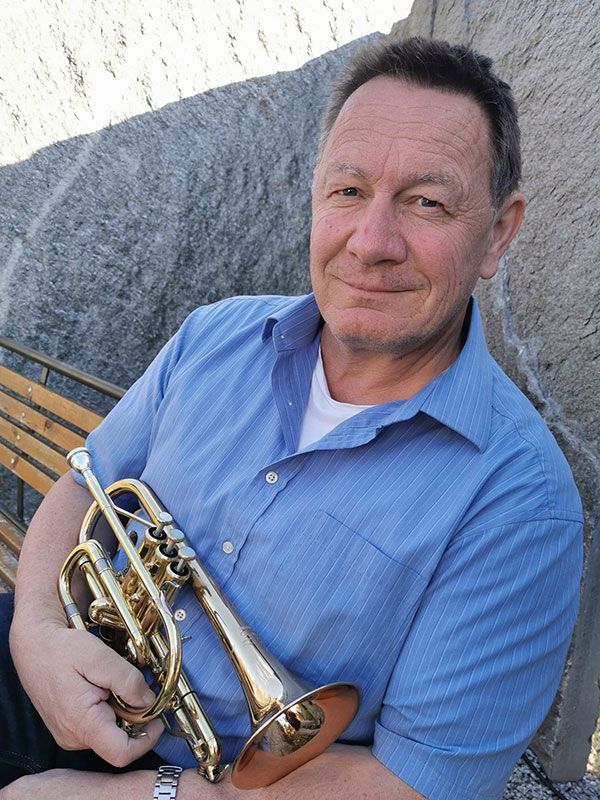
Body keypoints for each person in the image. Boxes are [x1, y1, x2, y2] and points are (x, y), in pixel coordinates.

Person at [0, 36, 583, 800]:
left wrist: (137, 794)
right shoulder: (214, 336)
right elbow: (88, 481)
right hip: (60, 658)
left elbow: (414, 784)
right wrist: (37, 628)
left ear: (497, 233)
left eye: (427, 203)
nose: (371, 243)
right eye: (348, 190)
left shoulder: (521, 505)